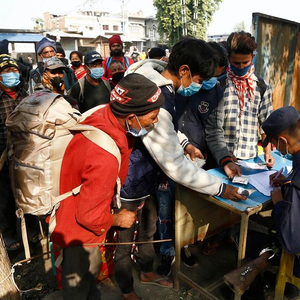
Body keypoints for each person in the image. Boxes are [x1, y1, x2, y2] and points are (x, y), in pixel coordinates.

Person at [114, 37, 246, 300]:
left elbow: (167, 131)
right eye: (199, 79)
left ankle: (146, 271)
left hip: (150, 172)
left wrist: (184, 143)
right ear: (184, 70)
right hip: (132, 176)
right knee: (124, 237)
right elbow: (176, 167)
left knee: (149, 228)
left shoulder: (154, 76)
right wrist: (220, 187)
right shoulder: (158, 97)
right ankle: (127, 290)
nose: (201, 85)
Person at [50, 73, 165, 300]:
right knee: (79, 284)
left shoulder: (105, 112)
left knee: (88, 281)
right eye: (153, 116)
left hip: (76, 208)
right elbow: (88, 216)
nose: (156, 122)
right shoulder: (104, 154)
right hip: (76, 229)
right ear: (131, 117)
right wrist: (118, 219)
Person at [205, 31, 274, 180]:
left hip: (250, 159)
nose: (241, 67)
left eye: (245, 63)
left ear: (253, 58)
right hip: (222, 160)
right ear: (228, 59)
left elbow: (266, 124)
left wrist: (268, 152)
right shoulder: (219, 86)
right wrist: (225, 158)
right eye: (236, 63)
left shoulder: (262, 87)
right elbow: (213, 129)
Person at [0, 54, 40, 250]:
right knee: (5, 198)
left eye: (14, 70)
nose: (11, 74)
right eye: (6, 71)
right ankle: (8, 234)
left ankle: (32, 229)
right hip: (2, 157)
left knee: (27, 193)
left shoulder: (26, 95)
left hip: (26, 154)